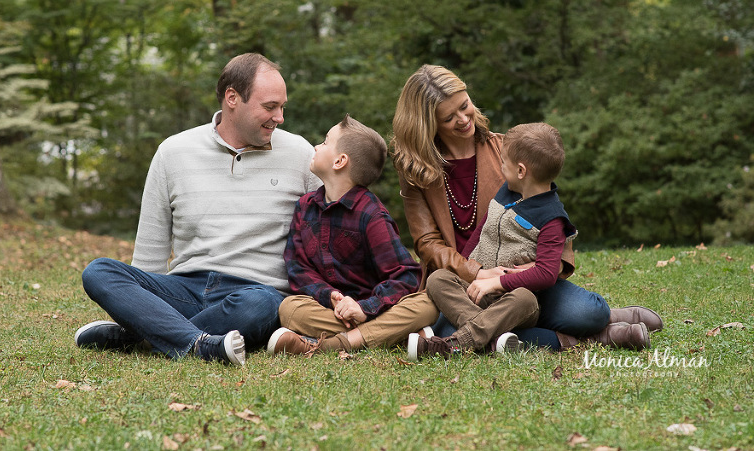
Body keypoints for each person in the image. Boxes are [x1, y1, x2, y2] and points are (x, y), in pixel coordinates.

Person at [390, 65, 663, 354]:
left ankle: (483, 335)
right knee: (447, 327)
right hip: (463, 287)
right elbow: (427, 243)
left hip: (521, 281)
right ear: (427, 125)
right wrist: (477, 272)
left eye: (465, 105)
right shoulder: (416, 171)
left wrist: (536, 269)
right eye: (448, 117)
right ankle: (592, 338)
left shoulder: (507, 150)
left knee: (587, 313)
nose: (463, 118)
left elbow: (549, 215)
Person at [74, 53, 321, 365]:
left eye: (282, 106)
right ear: (233, 98)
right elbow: (149, 260)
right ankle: (197, 343)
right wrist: (138, 303)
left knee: (262, 303)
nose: (280, 116)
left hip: (256, 293)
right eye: (270, 106)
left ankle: (144, 337)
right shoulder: (172, 153)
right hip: (183, 290)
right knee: (99, 271)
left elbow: (328, 234)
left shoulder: (301, 154)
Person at [267, 114, 439, 355]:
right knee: (289, 308)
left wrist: (364, 308)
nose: (317, 146)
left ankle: (334, 344)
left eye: (326, 142)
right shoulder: (305, 207)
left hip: (376, 307)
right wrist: (331, 297)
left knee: (427, 305)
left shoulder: (371, 214)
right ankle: (392, 335)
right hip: (330, 310)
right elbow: (297, 268)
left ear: (340, 161)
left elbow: (406, 276)